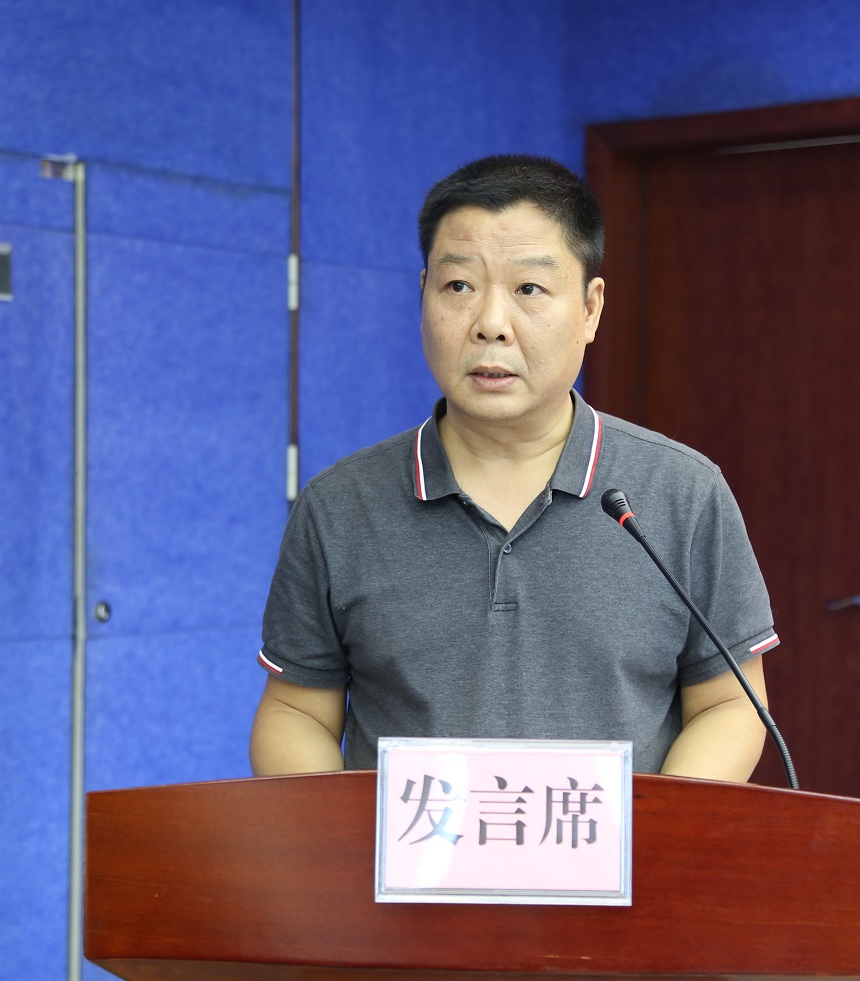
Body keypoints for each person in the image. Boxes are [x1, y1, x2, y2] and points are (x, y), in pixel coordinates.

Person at [249, 154, 777, 783]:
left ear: (590, 308)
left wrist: (657, 830)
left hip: (614, 847)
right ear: (423, 295)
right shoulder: (339, 506)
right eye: (459, 287)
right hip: (415, 849)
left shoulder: (683, 493)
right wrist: (341, 834)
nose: (490, 325)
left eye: (529, 289)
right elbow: (296, 711)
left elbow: (728, 705)